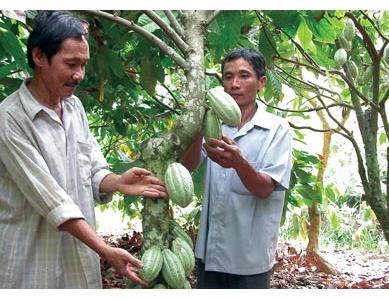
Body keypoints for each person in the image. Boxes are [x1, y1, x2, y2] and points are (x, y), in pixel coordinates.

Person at [0, 11, 167, 288]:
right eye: (71, 64)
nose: (79, 75)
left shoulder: (74, 108)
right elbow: (52, 201)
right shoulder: (10, 119)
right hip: (29, 267)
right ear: (39, 57)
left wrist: (117, 182)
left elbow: (91, 169)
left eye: (84, 64)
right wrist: (105, 250)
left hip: (77, 262)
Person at [181, 47, 292, 288]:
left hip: (249, 259)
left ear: (261, 82)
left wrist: (239, 163)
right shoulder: (214, 125)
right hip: (210, 253)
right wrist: (199, 125)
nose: (234, 84)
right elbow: (186, 167)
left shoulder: (277, 129)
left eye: (244, 76)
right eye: (228, 76)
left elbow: (265, 189)